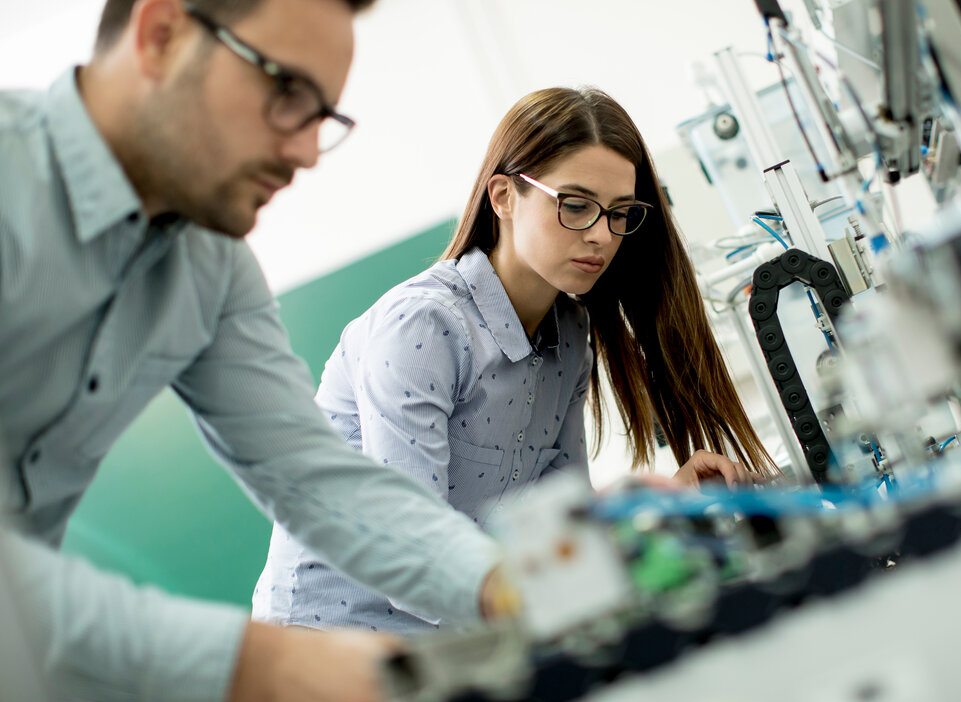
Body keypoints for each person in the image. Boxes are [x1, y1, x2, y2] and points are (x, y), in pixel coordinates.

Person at [0, 0, 510, 700]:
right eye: (287, 93)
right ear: (162, 36)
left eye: (322, 117)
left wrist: (512, 585)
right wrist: (260, 662)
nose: (305, 152)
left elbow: (315, 479)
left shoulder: (211, 266)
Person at [253, 87, 779, 633]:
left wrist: (660, 512)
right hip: (326, 646)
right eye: (575, 205)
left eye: (620, 213)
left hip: (455, 637)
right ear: (503, 196)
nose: (601, 234)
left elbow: (563, 528)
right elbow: (413, 563)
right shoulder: (425, 327)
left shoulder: (571, 339)